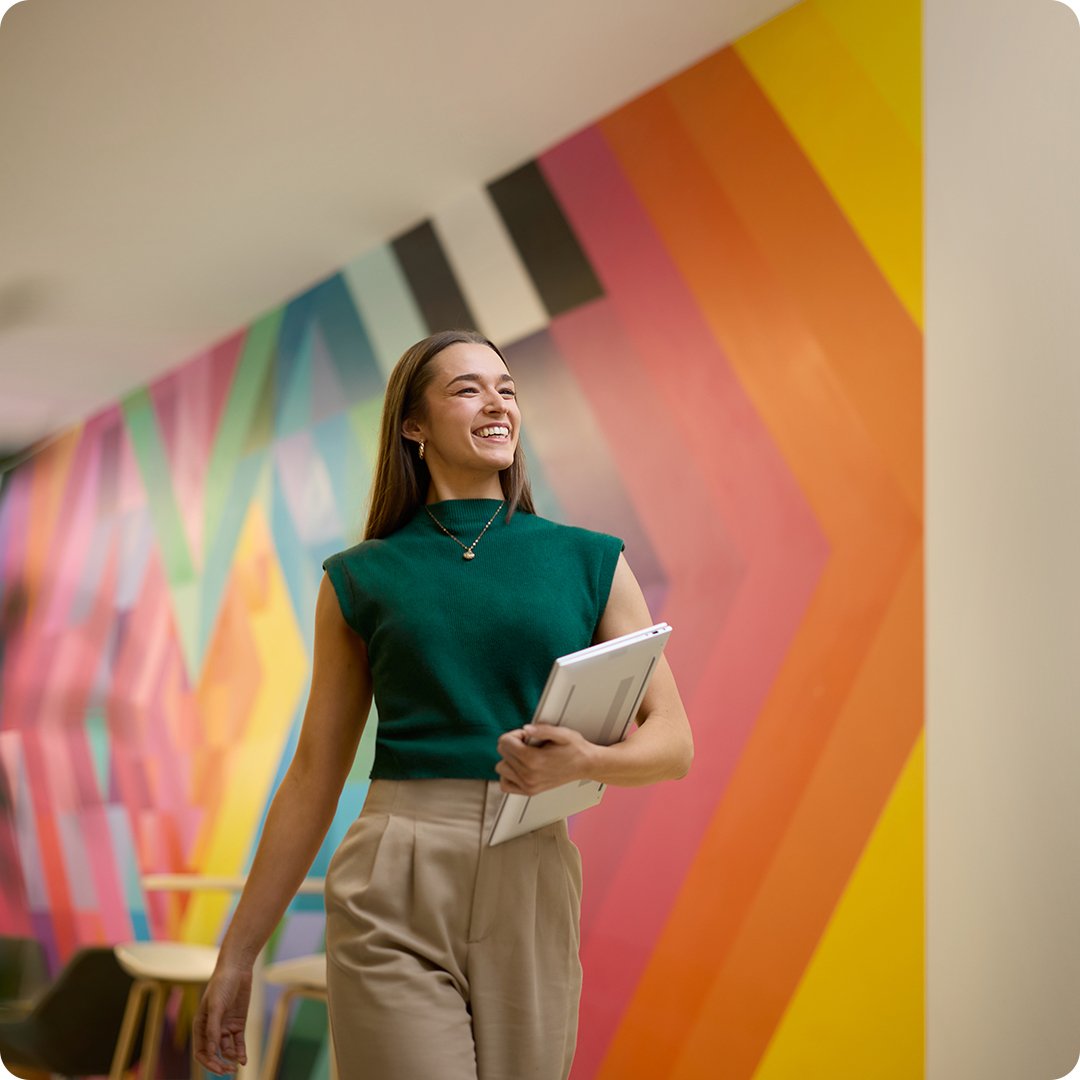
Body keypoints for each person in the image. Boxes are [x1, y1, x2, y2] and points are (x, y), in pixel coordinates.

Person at [193, 329, 693, 1080]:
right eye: (467, 388)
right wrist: (237, 954)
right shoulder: (359, 577)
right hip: (394, 871)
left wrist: (586, 761)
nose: (496, 402)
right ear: (413, 425)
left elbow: (674, 743)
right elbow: (313, 775)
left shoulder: (590, 559)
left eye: (506, 388)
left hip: (534, 867)